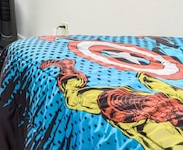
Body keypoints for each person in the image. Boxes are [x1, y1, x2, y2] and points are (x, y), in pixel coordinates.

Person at [41, 58, 183, 149]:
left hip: (136, 113)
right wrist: (148, 78)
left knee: (75, 100)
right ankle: (67, 68)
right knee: (76, 100)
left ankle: (67, 67)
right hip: (141, 106)